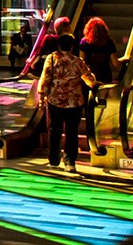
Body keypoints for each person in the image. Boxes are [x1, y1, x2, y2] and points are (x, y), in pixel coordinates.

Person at [40, 34, 98, 173]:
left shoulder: (52, 58)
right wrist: (95, 84)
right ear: (72, 46)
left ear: (59, 45)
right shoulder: (77, 61)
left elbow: (46, 77)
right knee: (71, 132)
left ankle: (54, 160)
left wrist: (42, 95)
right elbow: (89, 79)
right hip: (75, 102)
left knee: (55, 131)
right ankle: (70, 162)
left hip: (55, 101)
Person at [79, 17, 120, 85]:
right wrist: (124, 59)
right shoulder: (108, 42)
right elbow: (115, 63)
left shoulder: (84, 42)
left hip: (89, 76)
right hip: (105, 75)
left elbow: (81, 61)